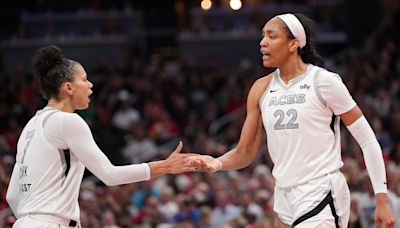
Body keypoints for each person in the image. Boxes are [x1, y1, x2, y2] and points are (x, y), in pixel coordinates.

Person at [189, 13, 396, 227]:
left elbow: (368, 139)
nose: (262, 43)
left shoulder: (323, 81)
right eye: (262, 36)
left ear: (294, 43)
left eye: (271, 36)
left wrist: (382, 199)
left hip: (321, 189)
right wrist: (218, 162)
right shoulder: (261, 88)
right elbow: (244, 152)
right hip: (284, 194)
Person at [6, 45, 197, 227]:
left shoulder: (31, 126)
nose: (90, 85)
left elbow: (12, 196)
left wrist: (31, 219)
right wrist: (164, 166)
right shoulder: (68, 121)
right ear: (68, 88)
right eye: (84, 79)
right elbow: (109, 175)